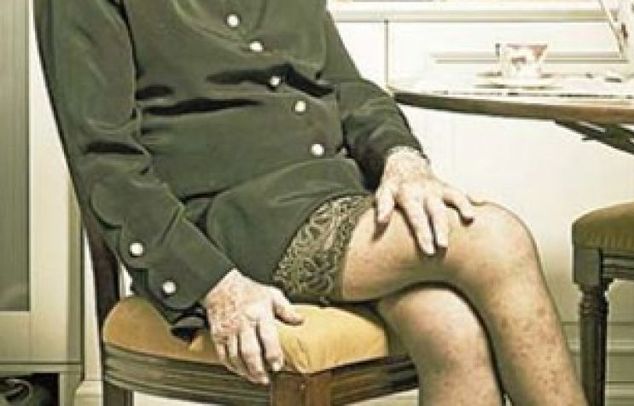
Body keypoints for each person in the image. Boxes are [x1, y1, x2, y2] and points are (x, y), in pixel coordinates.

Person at [37, 0, 587, 404]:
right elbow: (105, 162)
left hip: (335, 195)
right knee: (496, 239)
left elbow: (347, 88)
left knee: (451, 328)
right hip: (228, 222)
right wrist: (212, 283)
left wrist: (402, 158)